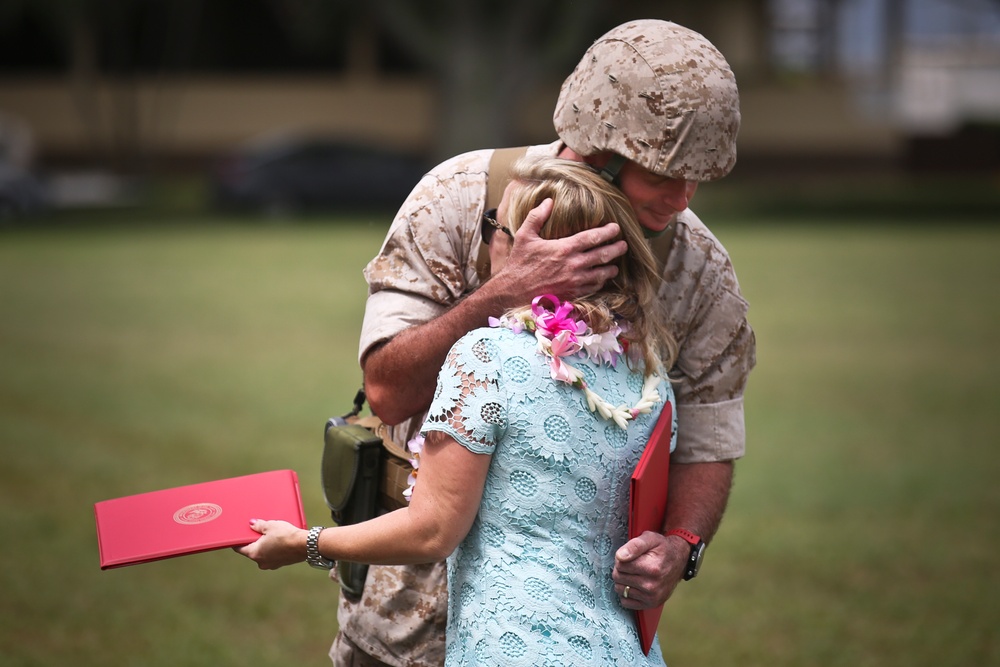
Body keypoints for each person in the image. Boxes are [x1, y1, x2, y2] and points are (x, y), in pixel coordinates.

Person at [340, 18, 754, 667]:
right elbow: (387, 391)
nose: (682, 197)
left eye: (698, 177)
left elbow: (709, 439)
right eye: (664, 173)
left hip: (565, 636)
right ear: (596, 149)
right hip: (403, 624)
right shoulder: (456, 201)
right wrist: (501, 294)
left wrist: (681, 544)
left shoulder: (697, 268)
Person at [239, 156, 679, 666]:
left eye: (497, 222)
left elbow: (432, 529)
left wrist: (303, 542)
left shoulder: (484, 356)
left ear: (524, 246)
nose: (490, 234)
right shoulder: (648, 376)